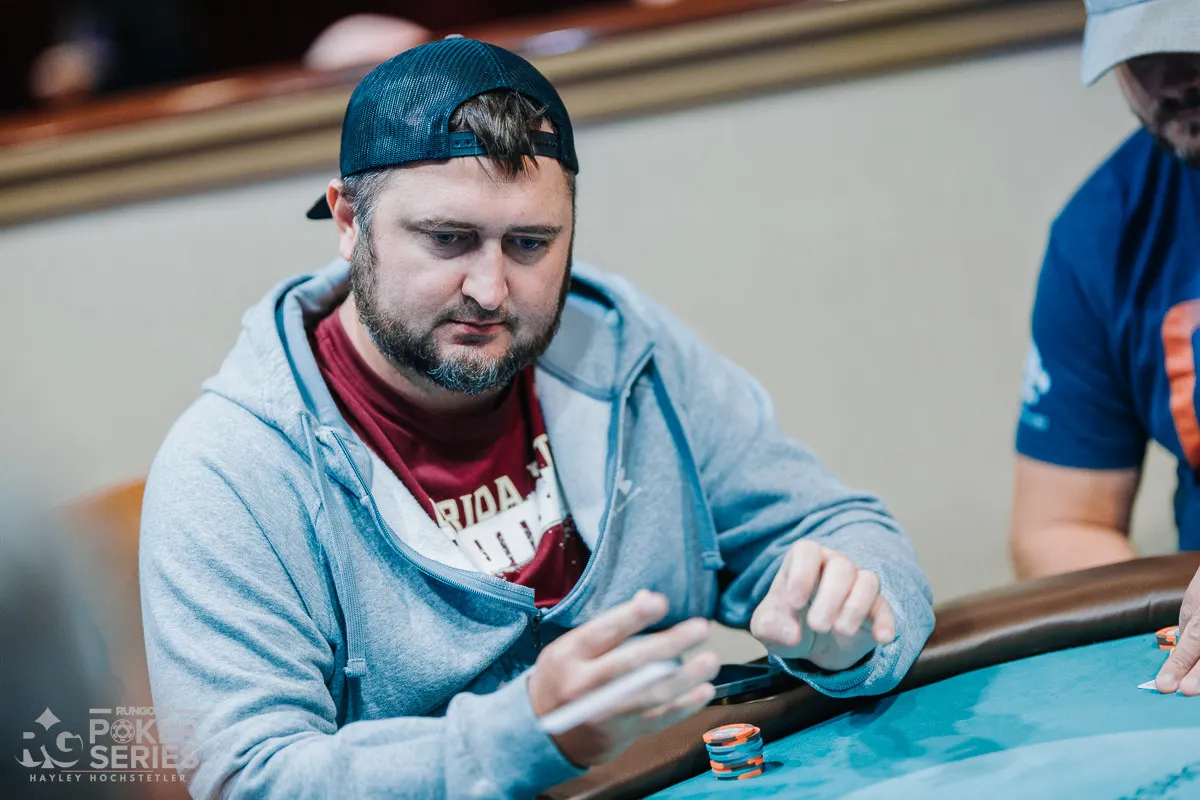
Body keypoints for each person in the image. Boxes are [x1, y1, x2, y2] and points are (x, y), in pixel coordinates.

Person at [139, 37, 935, 798]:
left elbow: (838, 527)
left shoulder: (622, 344)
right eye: (447, 239)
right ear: (349, 221)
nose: (490, 290)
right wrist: (528, 734)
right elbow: (253, 777)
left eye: (528, 244)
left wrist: (853, 627)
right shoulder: (232, 467)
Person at [1009, 0, 1200, 695]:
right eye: (1139, 54)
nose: (1171, 77)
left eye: (1191, 38)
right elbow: (1058, 527)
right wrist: (1176, 636)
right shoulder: (1101, 236)